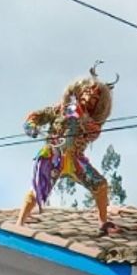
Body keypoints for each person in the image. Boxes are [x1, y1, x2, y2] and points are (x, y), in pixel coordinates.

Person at [18, 64, 119, 235]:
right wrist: (31, 126)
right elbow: (36, 117)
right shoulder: (61, 109)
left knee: (100, 185)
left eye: (95, 97)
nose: (90, 97)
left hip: (75, 160)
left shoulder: (92, 123)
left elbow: (93, 134)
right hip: (53, 154)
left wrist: (83, 119)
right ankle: (20, 222)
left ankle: (103, 222)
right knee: (38, 188)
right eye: (88, 92)